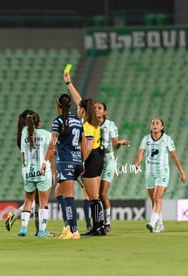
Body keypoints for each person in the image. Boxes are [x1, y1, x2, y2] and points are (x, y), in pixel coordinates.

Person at [64, 72, 104, 236]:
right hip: (98, 156)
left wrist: (82, 163)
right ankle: (99, 226)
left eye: (79, 108)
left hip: (91, 157)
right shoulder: (91, 121)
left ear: (83, 110)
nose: (77, 109)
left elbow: (86, 147)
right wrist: (69, 83)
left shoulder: (87, 125)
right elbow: (78, 99)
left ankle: (97, 227)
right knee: (95, 195)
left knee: (93, 195)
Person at [41, 93, 86, 240]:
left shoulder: (58, 121)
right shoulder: (78, 122)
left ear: (58, 106)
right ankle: (67, 226)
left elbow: (53, 143)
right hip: (77, 160)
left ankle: (73, 230)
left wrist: (44, 161)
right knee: (59, 192)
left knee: (68, 195)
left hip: (65, 161)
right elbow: (84, 143)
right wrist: (83, 162)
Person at [135, 117, 187, 233]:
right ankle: (160, 225)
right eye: (152, 123)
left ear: (162, 127)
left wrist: (181, 172)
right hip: (149, 172)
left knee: (157, 198)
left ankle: (152, 223)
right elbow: (141, 152)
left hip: (162, 172)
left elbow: (174, 156)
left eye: (157, 123)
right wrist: (138, 161)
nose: (154, 125)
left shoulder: (167, 139)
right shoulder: (146, 139)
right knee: (154, 201)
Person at [17, 110, 54, 237]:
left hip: (28, 171)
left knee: (28, 200)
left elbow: (22, 155)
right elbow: (52, 151)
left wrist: (25, 168)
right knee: (43, 203)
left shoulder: (24, 136)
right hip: (43, 171)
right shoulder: (47, 134)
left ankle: (23, 229)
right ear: (39, 122)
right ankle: (42, 231)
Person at [95, 102, 130, 233]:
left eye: (99, 108)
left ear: (105, 112)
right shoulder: (89, 125)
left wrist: (119, 143)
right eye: (94, 108)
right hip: (94, 161)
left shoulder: (110, 125)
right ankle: (96, 222)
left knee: (102, 193)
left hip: (108, 161)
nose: (96, 110)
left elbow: (115, 145)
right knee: (94, 195)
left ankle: (107, 223)